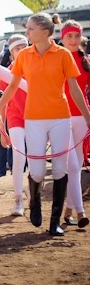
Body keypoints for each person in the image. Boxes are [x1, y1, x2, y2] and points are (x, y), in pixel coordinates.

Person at [0, 13, 90, 237]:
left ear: (44, 32)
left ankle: (54, 221)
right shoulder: (24, 56)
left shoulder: (63, 55)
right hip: (33, 119)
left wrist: (87, 116)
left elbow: (74, 89)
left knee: (59, 169)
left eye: (30, 30)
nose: (27, 34)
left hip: (60, 119)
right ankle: (34, 203)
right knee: (35, 171)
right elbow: (12, 88)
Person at [59, 20, 90, 228]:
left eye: (76, 36)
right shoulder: (57, 58)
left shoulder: (86, 61)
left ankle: (69, 210)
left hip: (82, 116)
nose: (73, 40)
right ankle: (80, 212)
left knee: (76, 166)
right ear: (62, 38)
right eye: (69, 36)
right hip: (60, 115)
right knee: (71, 165)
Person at [0, 34, 29, 217]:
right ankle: (18, 199)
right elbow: (1, 104)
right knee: (19, 157)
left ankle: (34, 194)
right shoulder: (6, 73)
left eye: (25, 46)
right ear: (12, 52)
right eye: (18, 48)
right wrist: (3, 131)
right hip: (15, 117)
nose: (23, 50)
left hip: (36, 117)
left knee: (36, 160)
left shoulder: (36, 69)